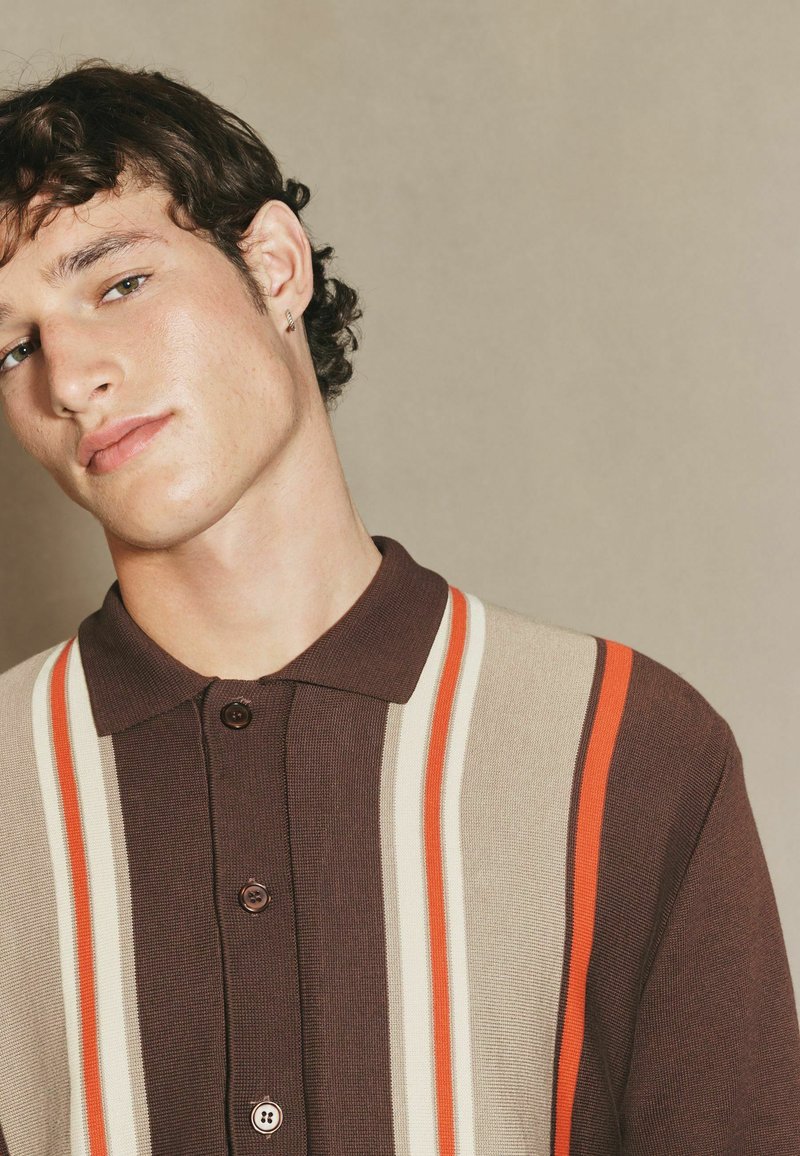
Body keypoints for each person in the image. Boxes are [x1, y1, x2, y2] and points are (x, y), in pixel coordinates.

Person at [0, 58, 797, 1156]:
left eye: (118, 283)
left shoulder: (627, 745)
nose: (68, 377)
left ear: (274, 266)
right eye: (14, 345)